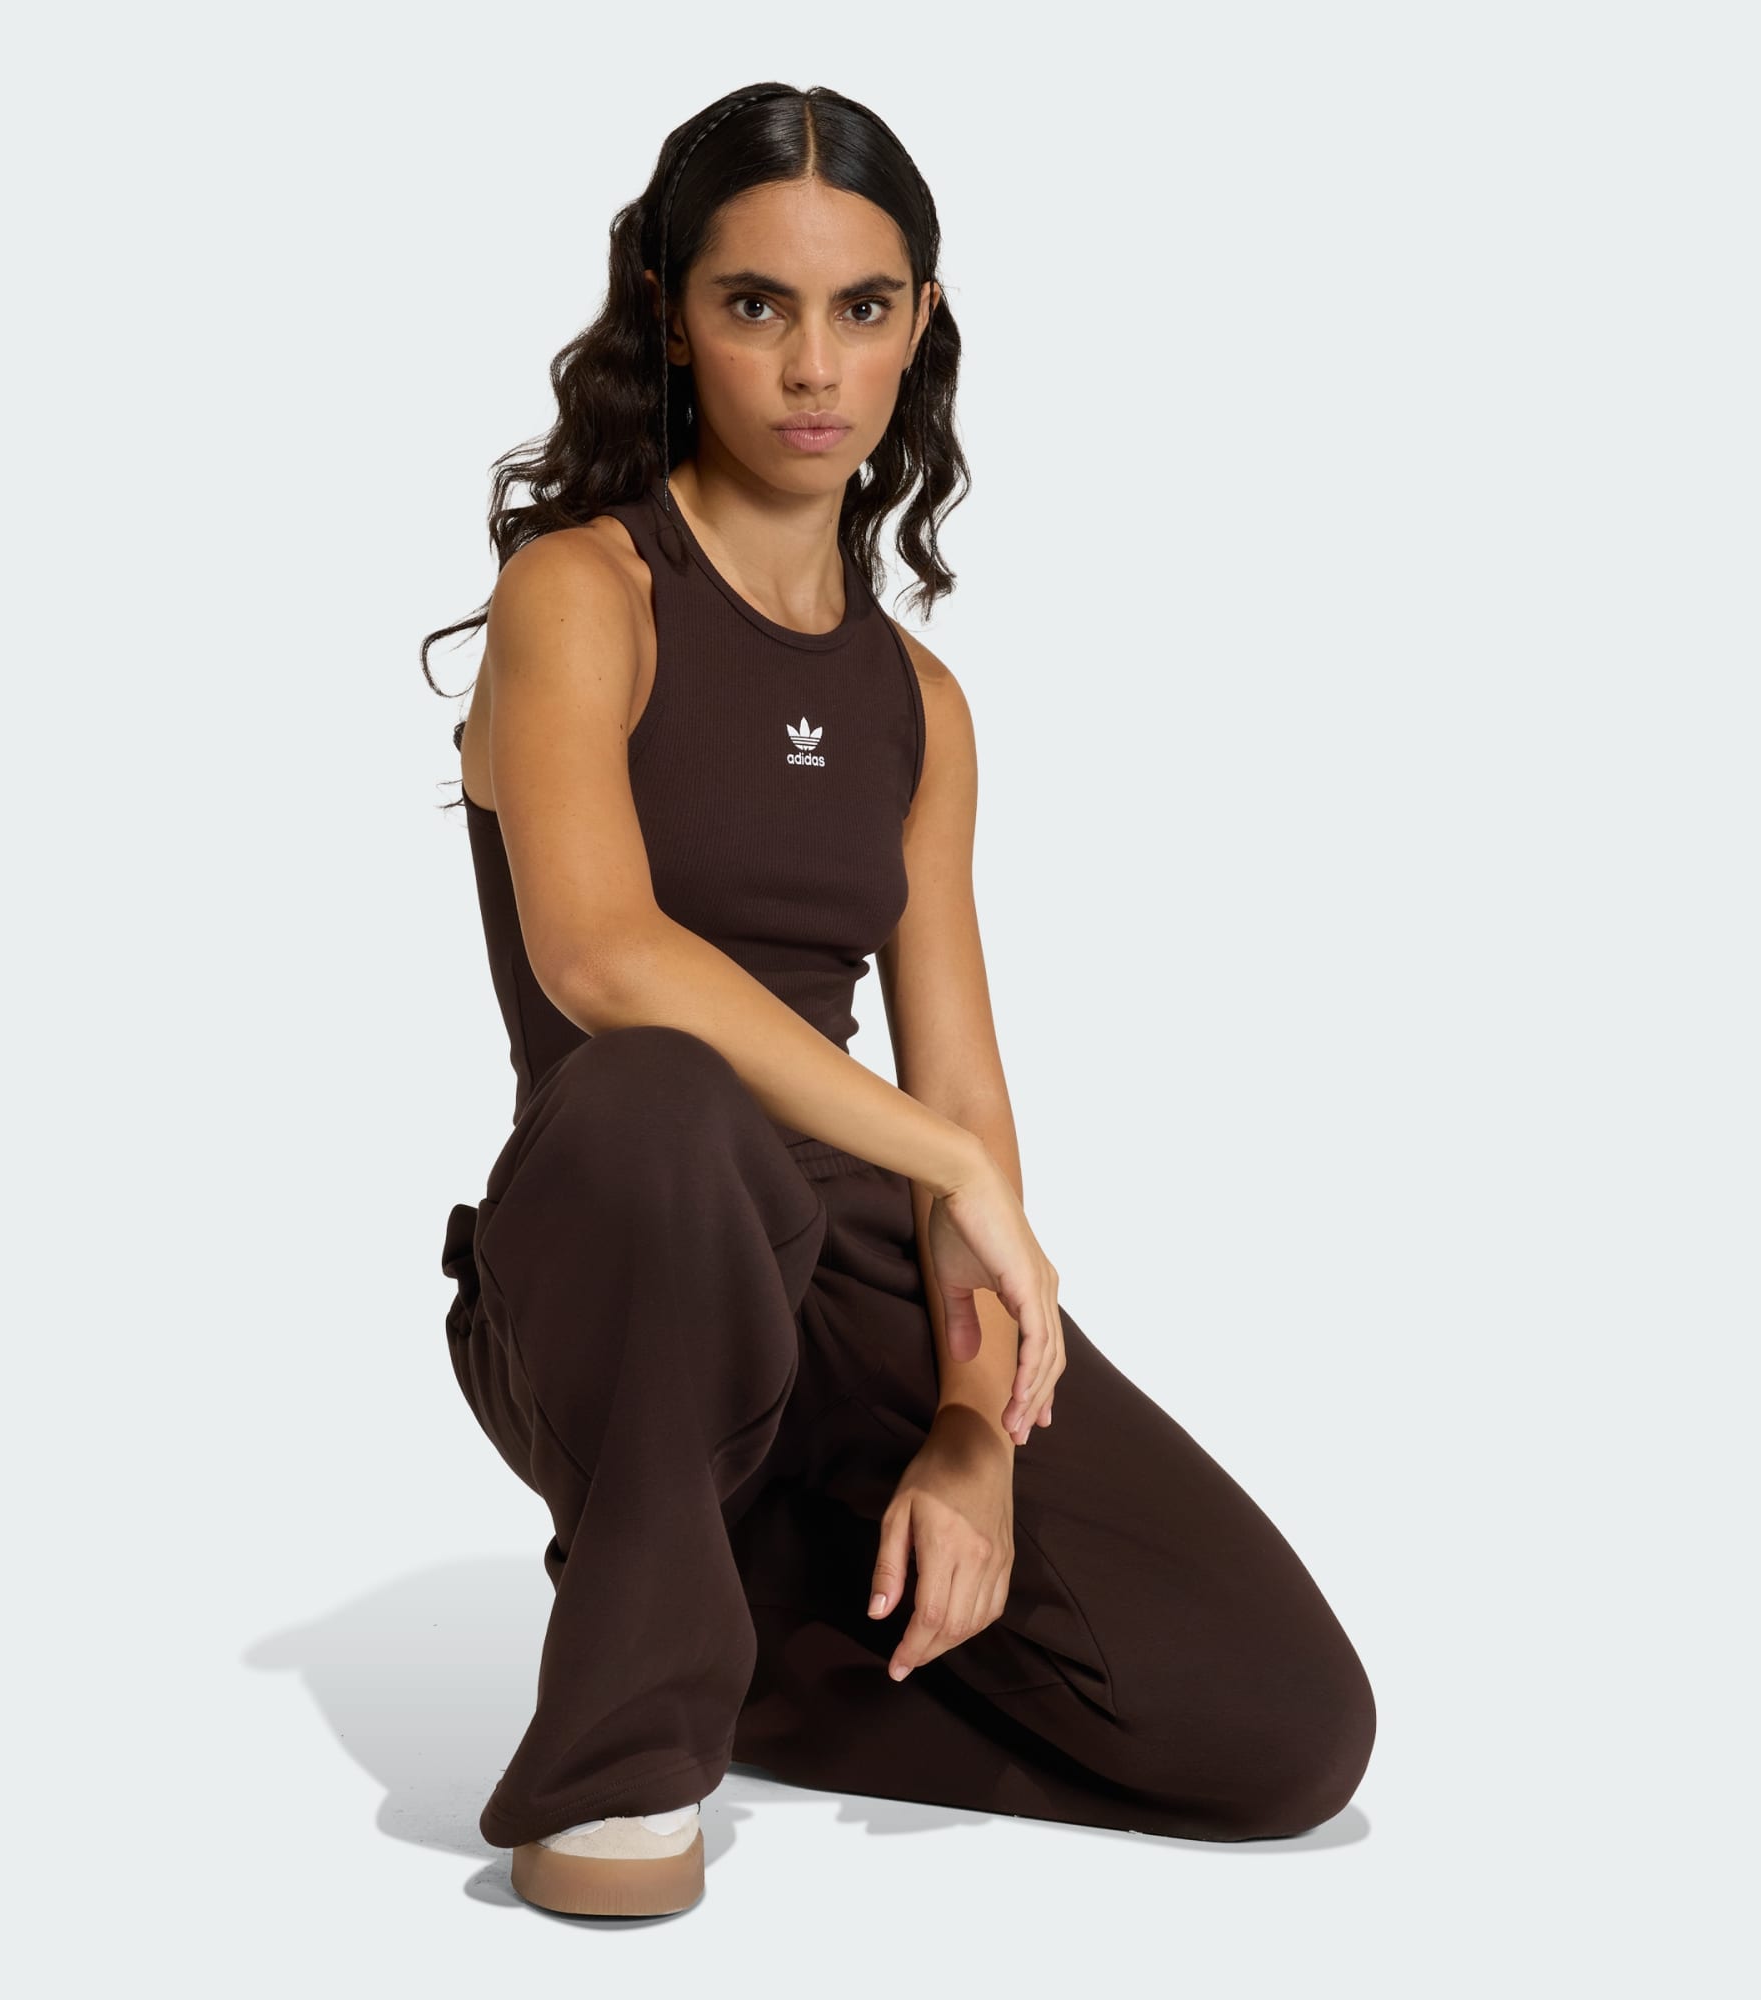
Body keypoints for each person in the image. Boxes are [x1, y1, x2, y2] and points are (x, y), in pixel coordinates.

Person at [420, 82, 1376, 1920]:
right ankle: (621, 1757)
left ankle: (741, 1647)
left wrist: (970, 1435)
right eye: (754, 304)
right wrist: (951, 1164)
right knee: (663, 1093)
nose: (813, 366)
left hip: (843, 1270)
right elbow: (601, 956)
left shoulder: (921, 705)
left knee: (1285, 1735)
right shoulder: (585, 592)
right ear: (669, 315)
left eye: (862, 307)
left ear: (919, 322)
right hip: (622, 1253)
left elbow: (966, 1102)